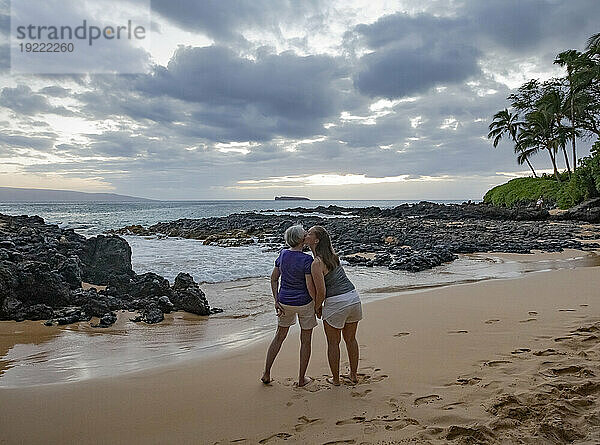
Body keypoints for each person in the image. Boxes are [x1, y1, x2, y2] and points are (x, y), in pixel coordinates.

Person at [305, 225, 362, 386]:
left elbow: (321, 292)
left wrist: (317, 308)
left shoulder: (317, 263)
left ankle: (335, 379)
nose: (305, 235)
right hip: (353, 298)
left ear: (316, 240)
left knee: (333, 343)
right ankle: (353, 375)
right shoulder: (333, 256)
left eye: (309, 233)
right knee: (351, 339)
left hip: (337, 303)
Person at [261, 225, 317, 387]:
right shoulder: (307, 260)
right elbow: (309, 286)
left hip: (285, 302)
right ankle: (301, 379)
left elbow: (273, 279)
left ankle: (266, 372)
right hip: (304, 303)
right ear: (301, 240)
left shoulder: (283, 254)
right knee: (305, 341)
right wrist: (317, 305)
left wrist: (276, 300)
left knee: (279, 337)